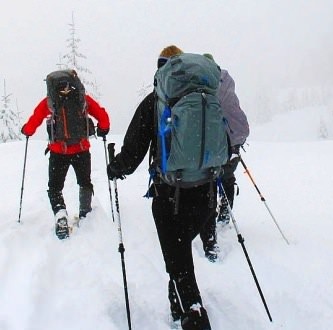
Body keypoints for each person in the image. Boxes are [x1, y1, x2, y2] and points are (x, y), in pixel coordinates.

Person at [106, 45, 214, 330]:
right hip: (205, 193)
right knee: (179, 256)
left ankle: (193, 314)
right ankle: (178, 306)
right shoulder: (207, 97)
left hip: (170, 197)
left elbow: (132, 153)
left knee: (179, 264)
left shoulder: (155, 102)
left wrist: (115, 167)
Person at [21, 69, 110, 239]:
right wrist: (104, 128)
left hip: (58, 152)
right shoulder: (82, 98)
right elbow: (102, 114)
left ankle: (61, 214)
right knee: (84, 182)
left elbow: (35, 119)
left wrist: (27, 130)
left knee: (55, 187)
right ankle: (85, 214)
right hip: (82, 150)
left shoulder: (50, 101)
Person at [199, 53, 250, 262]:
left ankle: (210, 229)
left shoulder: (208, 86)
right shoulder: (227, 84)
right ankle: (225, 213)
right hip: (235, 140)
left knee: (211, 183)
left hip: (218, 144)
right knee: (228, 179)